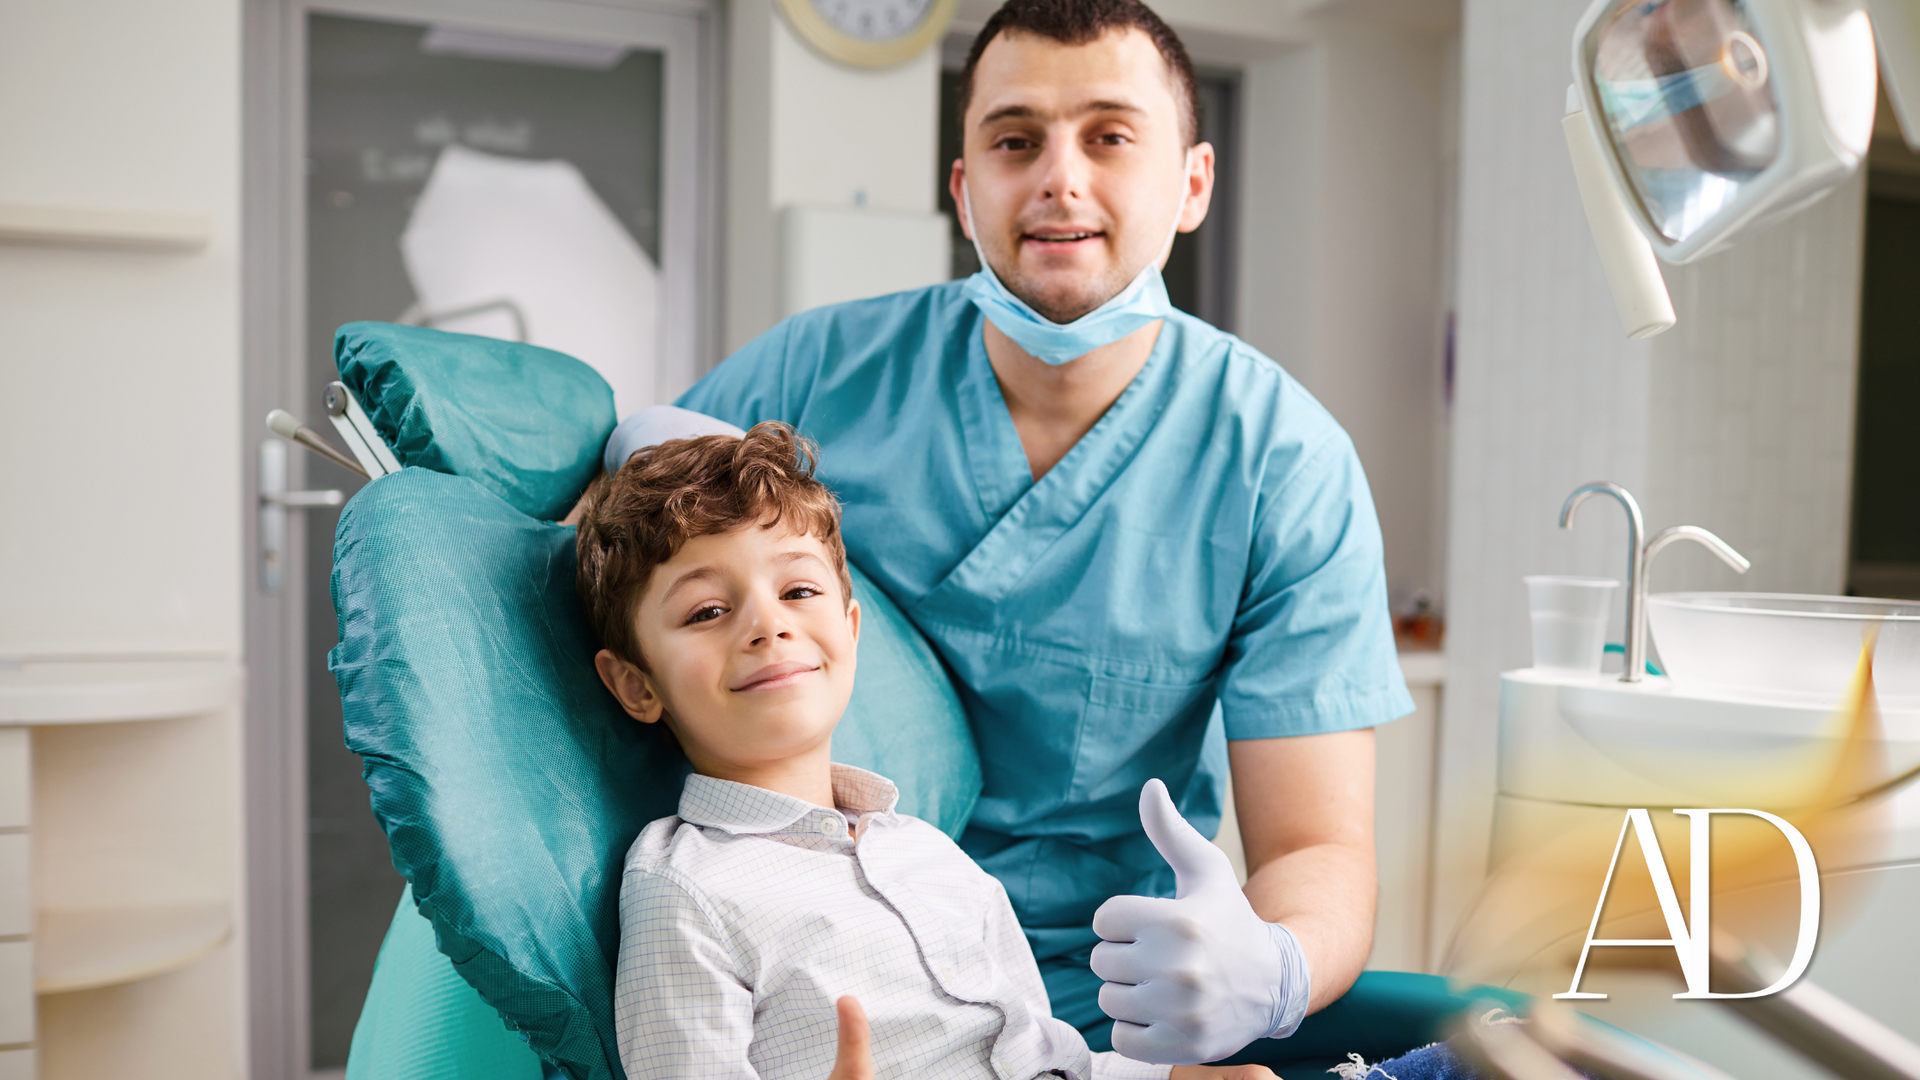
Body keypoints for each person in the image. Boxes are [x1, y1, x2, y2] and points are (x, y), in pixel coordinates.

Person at [605, 0, 1413, 1067]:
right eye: (1015, 139)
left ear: (1193, 183)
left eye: (1111, 136)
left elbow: (1317, 844)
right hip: (821, 992)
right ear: (963, 186)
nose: (1060, 180)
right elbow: (620, 562)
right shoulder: (810, 379)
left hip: (1106, 1003)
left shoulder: (1282, 461)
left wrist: (1272, 966)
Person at [573, 422, 1278, 1080]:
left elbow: (1049, 1057)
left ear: (849, 630)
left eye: (798, 589)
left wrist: (1178, 1076)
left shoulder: (927, 852)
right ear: (635, 685)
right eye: (706, 612)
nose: (768, 624)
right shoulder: (684, 890)